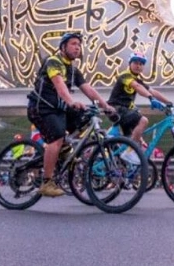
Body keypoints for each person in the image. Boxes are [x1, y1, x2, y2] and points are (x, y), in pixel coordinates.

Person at [27, 32, 117, 197]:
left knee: (85, 117)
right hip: (41, 108)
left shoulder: (74, 70)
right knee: (57, 137)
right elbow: (60, 85)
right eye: (73, 44)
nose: (77, 47)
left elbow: (88, 88)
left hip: (59, 109)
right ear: (63, 47)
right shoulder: (53, 61)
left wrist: (105, 105)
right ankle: (46, 182)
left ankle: (65, 149)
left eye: (79, 44)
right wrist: (71, 102)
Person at [108, 54, 174, 164]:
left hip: (124, 112)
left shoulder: (138, 80)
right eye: (135, 63)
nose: (138, 66)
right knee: (143, 120)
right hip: (116, 109)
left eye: (141, 64)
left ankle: (121, 160)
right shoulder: (126, 76)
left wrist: (169, 103)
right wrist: (150, 98)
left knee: (135, 138)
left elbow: (153, 91)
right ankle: (129, 152)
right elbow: (137, 87)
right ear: (130, 64)